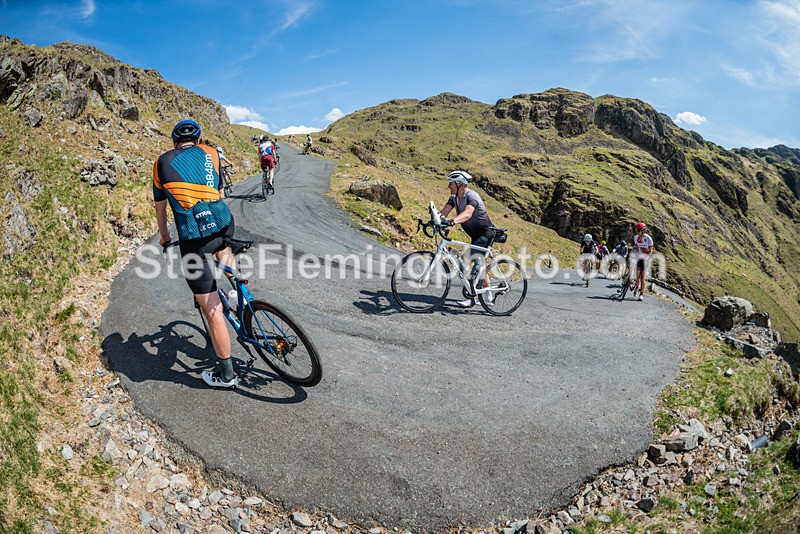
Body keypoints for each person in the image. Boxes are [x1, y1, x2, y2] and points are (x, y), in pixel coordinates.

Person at [153, 119, 239, 388]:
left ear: (174, 142)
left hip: (194, 238)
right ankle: (239, 291)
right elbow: (220, 192)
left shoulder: (161, 162)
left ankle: (226, 376)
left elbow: (160, 207)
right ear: (198, 140)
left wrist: (165, 237)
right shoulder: (211, 153)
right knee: (222, 246)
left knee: (212, 311)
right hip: (223, 222)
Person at [439, 170, 495, 308]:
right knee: (480, 268)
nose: (448, 186)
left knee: (465, 262)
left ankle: (471, 298)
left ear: (459, 184)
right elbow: (443, 212)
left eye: (451, 184)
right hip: (475, 235)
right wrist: (435, 221)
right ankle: (488, 297)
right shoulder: (454, 198)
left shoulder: (472, 196)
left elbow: (468, 213)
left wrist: (452, 221)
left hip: (485, 234)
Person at [632, 222, 654, 301]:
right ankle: (637, 286)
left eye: (639, 230)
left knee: (642, 278)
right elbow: (636, 248)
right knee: (637, 277)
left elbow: (650, 250)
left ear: (643, 231)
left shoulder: (648, 238)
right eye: (636, 230)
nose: (637, 232)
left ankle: (641, 294)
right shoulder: (636, 238)